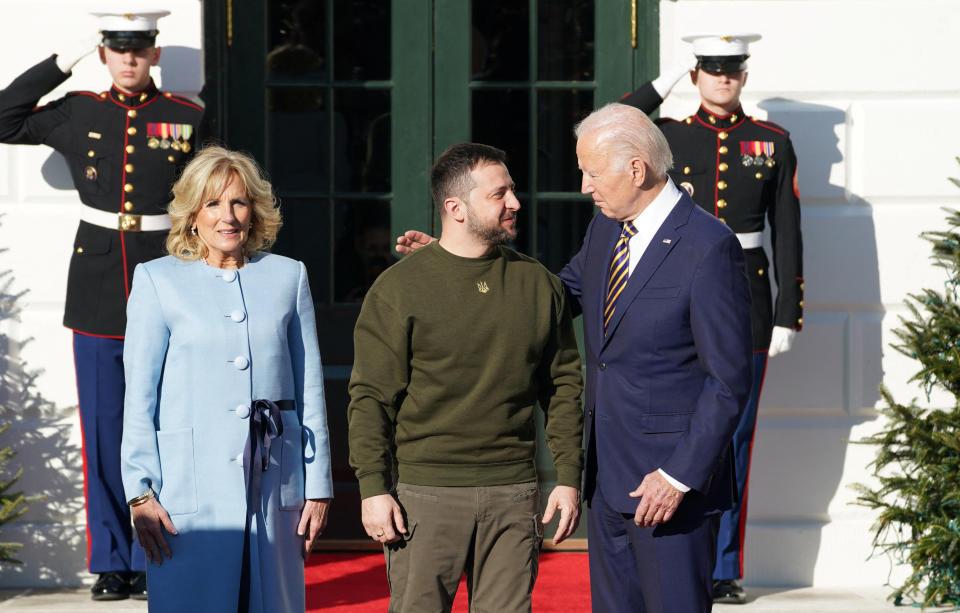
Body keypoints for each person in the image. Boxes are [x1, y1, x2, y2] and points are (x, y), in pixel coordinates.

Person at [395, 106, 753, 612]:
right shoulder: (607, 229)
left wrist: (677, 476)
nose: (584, 186)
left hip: (670, 492)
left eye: (591, 171)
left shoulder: (709, 246)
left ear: (636, 170)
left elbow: (728, 382)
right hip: (607, 483)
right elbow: (551, 299)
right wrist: (458, 258)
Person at [0, 11, 203, 600]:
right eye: (117, 50)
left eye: (138, 49)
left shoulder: (186, 118)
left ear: (154, 53)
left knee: (167, 428)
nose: (129, 59)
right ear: (105, 53)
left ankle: (162, 553)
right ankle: (114, 561)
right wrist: (63, 61)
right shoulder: (80, 108)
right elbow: (4, 117)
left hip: (168, 282)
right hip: (95, 288)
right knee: (103, 429)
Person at [348, 143, 584, 613]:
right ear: (455, 208)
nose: (515, 202)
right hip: (424, 495)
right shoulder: (398, 288)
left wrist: (568, 475)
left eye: (512, 190)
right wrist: (374, 488)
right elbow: (371, 397)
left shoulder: (539, 285)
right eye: (500, 194)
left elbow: (563, 387)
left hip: (514, 493)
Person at [620, 33, 804, 603]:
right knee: (674, 421)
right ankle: (665, 540)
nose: (723, 79)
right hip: (676, 297)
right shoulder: (671, 135)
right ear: (697, 75)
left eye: (732, 71)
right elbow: (618, 121)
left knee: (735, 436)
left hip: (746, 301)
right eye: (710, 70)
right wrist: (666, 78)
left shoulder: (771, 142)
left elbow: (788, 231)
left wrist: (786, 313)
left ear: (744, 77)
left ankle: (723, 567)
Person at [120, 146, 333, 612]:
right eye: (213, 203)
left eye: (238, 202)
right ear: (192, 214)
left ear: (254, 211)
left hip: (275, 484)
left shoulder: (288, 277)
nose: (227, 216)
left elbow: (309, 387)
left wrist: (317, 485)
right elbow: (140, 398)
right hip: (186, 492)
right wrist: (139, 491)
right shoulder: (158, 280)